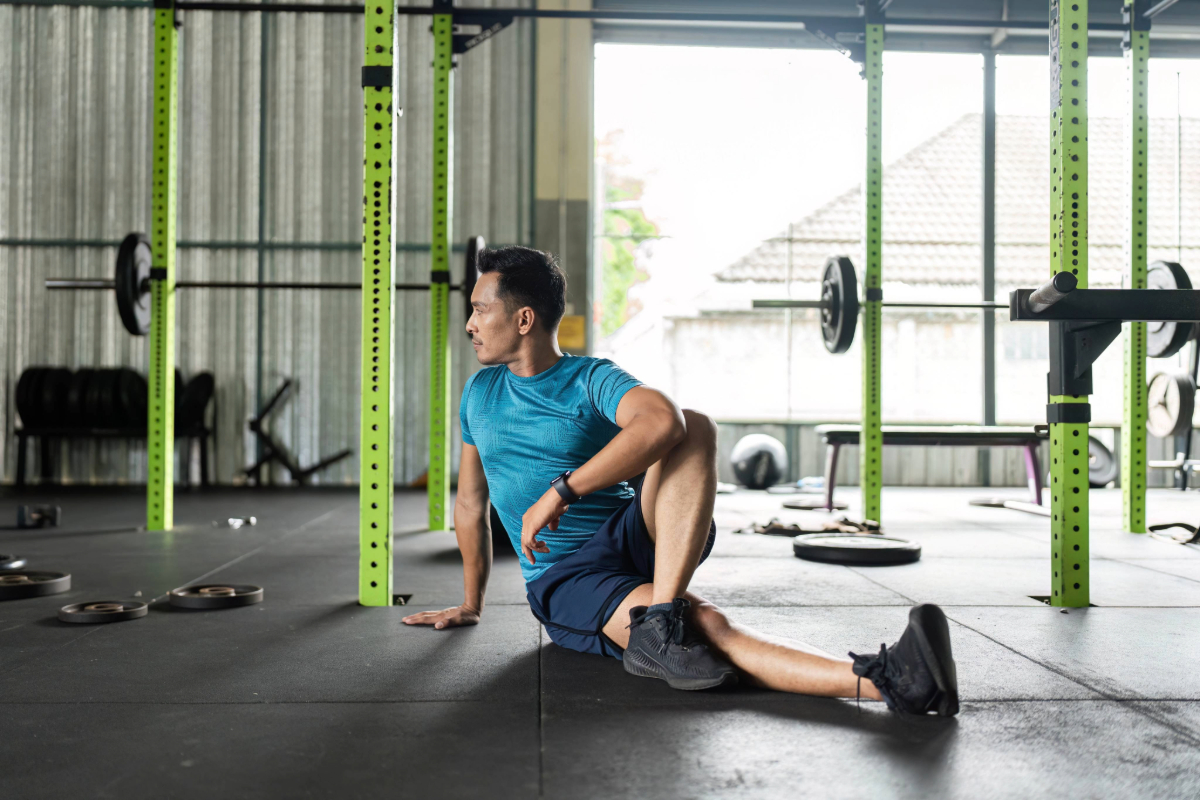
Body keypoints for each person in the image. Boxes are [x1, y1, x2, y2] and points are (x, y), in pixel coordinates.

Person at [402, 246, 958, 716]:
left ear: (523, 319)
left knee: (693, 425)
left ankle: (659, 621)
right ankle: (890, 680)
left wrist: (561, 490)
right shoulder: (480, 395)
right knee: (711, 625)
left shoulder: (590, 378)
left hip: (635, 536)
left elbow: (664, 422)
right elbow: (471, 505)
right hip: (566, 579)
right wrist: (472, 602)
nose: (470, 324)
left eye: (479, 310)